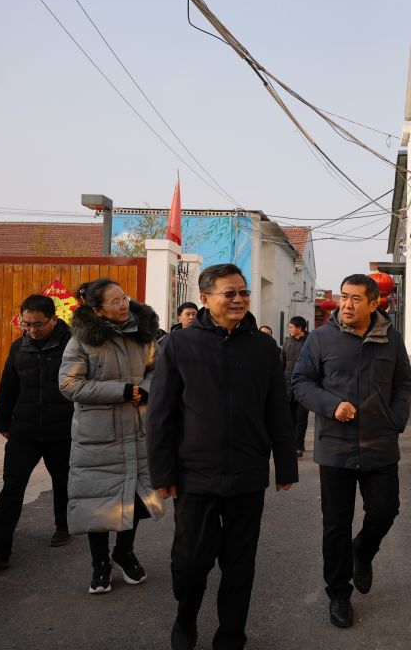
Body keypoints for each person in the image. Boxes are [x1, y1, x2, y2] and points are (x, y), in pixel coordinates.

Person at [147, 263, 298, 650]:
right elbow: (161, 414)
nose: (239, 299)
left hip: (247, 474)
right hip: (195, 474)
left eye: (243, 292)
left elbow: (277, 410)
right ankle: (185, 618)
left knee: (239, 563)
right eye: (229, 293)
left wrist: (285, 464)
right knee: (190, 561)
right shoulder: (179, 345)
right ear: (205, 298)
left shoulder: (264, 348)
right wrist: (162, 472)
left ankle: (231, 635)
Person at [292, 274, 411, 629]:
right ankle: (339, 594)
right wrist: (332, 406)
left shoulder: (391, 339)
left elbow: (403, 382)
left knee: (385, 510)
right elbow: (301, 382)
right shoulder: (320, 338)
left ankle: (363, 549)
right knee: (336, 524)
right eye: (344, 297)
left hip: (380, 444)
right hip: (336, 447)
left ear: (374, 304)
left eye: (355, 299)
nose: (346, 304)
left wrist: (395, 420)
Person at [59, 278, 164, 595]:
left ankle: (124, 551)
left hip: (137, 429)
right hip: (98, 435)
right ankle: (100, 563)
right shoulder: (82, 340)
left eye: (124, 298)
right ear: (97, 310)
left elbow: (157, 371)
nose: (124, 305)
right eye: (115, 301)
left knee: (136, 497)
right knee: (98, 502)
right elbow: (69, 385)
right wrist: (121, 391)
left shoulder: (143, 334)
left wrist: (144, 390)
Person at [0, 295, 74, 572]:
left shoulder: (72, 346)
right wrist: (3, 423)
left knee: (64, 482)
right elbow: (8, 386)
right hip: (24, 431)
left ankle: (64, 526)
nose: (32, 330)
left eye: (38, 324)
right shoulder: (19, 347)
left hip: (62, 431)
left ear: (54, 319)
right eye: (26, 324)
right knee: (11, 488)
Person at [281, 316, 310, 457]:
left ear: (300, 328)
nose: (290, 329)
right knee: (289, 418)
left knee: (301, 418)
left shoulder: (310, 342)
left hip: (305, 386)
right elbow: (281, 363)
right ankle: (291, 444)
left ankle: (298, 445)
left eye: (291, 327)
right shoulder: (288, 342)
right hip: (288, 387)